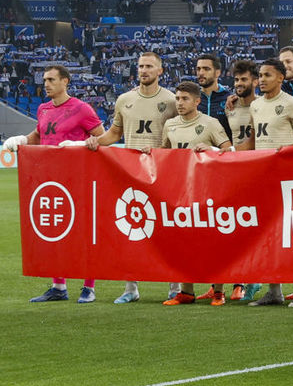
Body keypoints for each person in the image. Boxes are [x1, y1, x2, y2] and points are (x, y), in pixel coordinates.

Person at [4, 65, 106, 303]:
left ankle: (88, 287)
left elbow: (103, 137)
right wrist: (22, 140)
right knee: (53, 230)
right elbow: (38, 136)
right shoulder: (43, 108)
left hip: (78, 177)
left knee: (82, 233)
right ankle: (58, 287)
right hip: (51, 179)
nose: (46, 83)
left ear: (65, 82)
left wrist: (82, 145)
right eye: (44, 79)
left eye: (51, 79)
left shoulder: (82, 109)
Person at [86, 51, 177, 305]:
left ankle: (174, 285)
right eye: (140, 66)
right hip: (130, 173)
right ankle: (130, 287)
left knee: (167, 229)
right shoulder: (124, 99)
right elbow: (115, 133)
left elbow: (177, 135)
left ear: (160, 71)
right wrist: (96, 141)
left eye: (149, 66)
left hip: (162, 173)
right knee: (130, 229)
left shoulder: (171, 100)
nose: (144, 70)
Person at [238, 58, 293, 306]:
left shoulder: (291, 104)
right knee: (268, 235)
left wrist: (286, 151)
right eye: (261, 75)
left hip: (289, 177)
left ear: (281, 78)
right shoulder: (256, 105)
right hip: (263, 177)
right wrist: (224, 154)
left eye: (268, 75)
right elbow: (252, 140)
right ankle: (274, 290)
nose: (262, 79)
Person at [157, 80, 233, 306]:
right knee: (182, 242)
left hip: (208, 191)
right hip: (180, 191)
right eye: (177, 99)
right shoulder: (170, 124)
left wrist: (213, 149)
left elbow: (228, 150)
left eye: (185, 99)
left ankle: (219, 291)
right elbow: (164, 154)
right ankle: (186, 292)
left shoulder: (210, 123)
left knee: (214, 242)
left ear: (197, 101)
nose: (179, 103)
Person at [223, 59, 260, 302]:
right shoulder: (231, 107)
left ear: (255, 82)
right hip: (236, 172)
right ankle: (241, 281)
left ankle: (255, 278)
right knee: (237, 227)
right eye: (236, 79)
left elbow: (255, 140)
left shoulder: (264, 106)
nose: (239, 84)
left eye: (244, 79)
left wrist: (236, 152)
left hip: (259, 169)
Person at [195, 52, 230, 138]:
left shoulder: (229, 98)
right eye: (198, 69)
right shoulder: (192, 99)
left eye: (206, 69)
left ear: (217, 73)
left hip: (223, 150)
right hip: (197, 150)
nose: (201, 73)